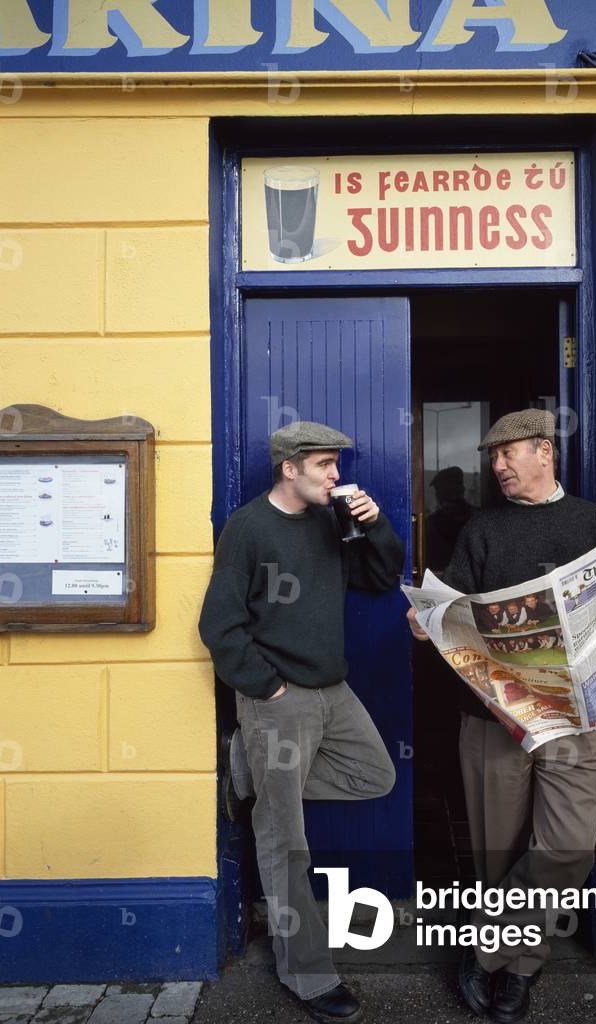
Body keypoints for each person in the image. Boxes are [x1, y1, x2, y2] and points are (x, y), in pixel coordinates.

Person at [407, 409, 596, 1024]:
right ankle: (517, 968)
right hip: (494, 717)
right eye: (492, 457)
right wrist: (429, 622)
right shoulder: (481, 528)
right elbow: (452, 600)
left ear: (544, 452)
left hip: (577, 720)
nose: (497, 466)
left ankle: (487, 952)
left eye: (508, 454)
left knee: (567, 846)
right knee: (497, 853)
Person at [199, 420, 404, 1024]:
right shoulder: (248, 528)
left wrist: (375, 526)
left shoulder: (330, 519)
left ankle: (247, 768)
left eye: (336, 466)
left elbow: (379, 577)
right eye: (324, 466)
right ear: (290, 468)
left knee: (376, 774)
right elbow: (219, 626)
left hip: (332, 690)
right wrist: (267, 687)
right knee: (285, 840)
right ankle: (309, 975)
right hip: (277, 699)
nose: (336, 476)